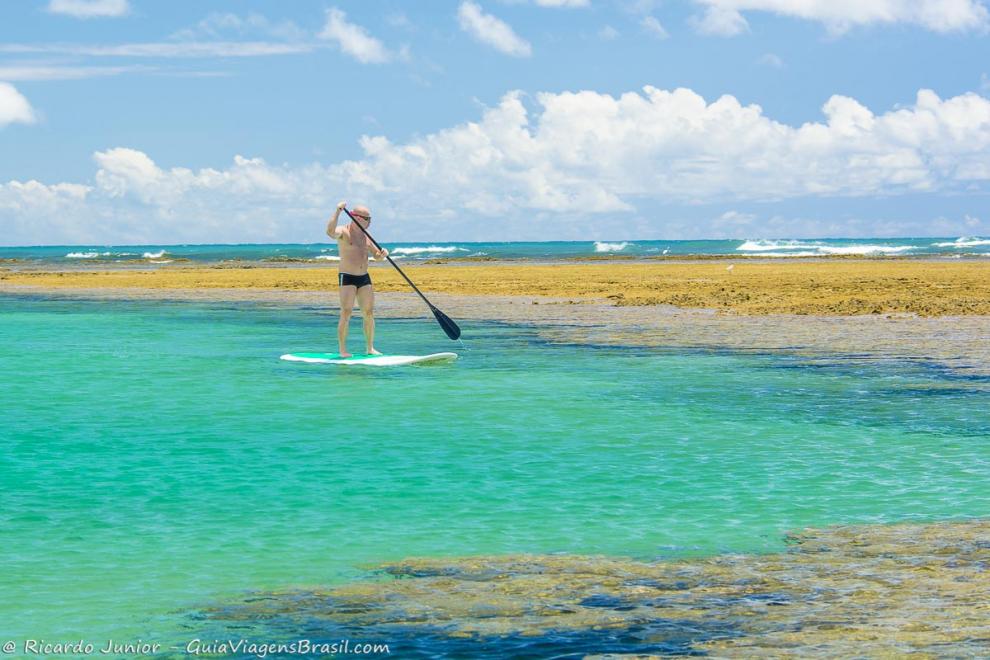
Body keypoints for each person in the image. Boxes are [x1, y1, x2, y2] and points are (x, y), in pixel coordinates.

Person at [326, 201, 389, 357]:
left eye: (370, 219)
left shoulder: (366, 236)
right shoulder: (344, 231)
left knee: (368, 312)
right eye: (367, 219)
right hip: (347, 277)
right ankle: (342, 350)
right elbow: (330, 232)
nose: (370, 222)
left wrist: (382, 255)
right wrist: (338, 211)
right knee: (346, 312)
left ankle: (370, 348)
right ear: (357, 218)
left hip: (364, 278)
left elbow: (376, 255)